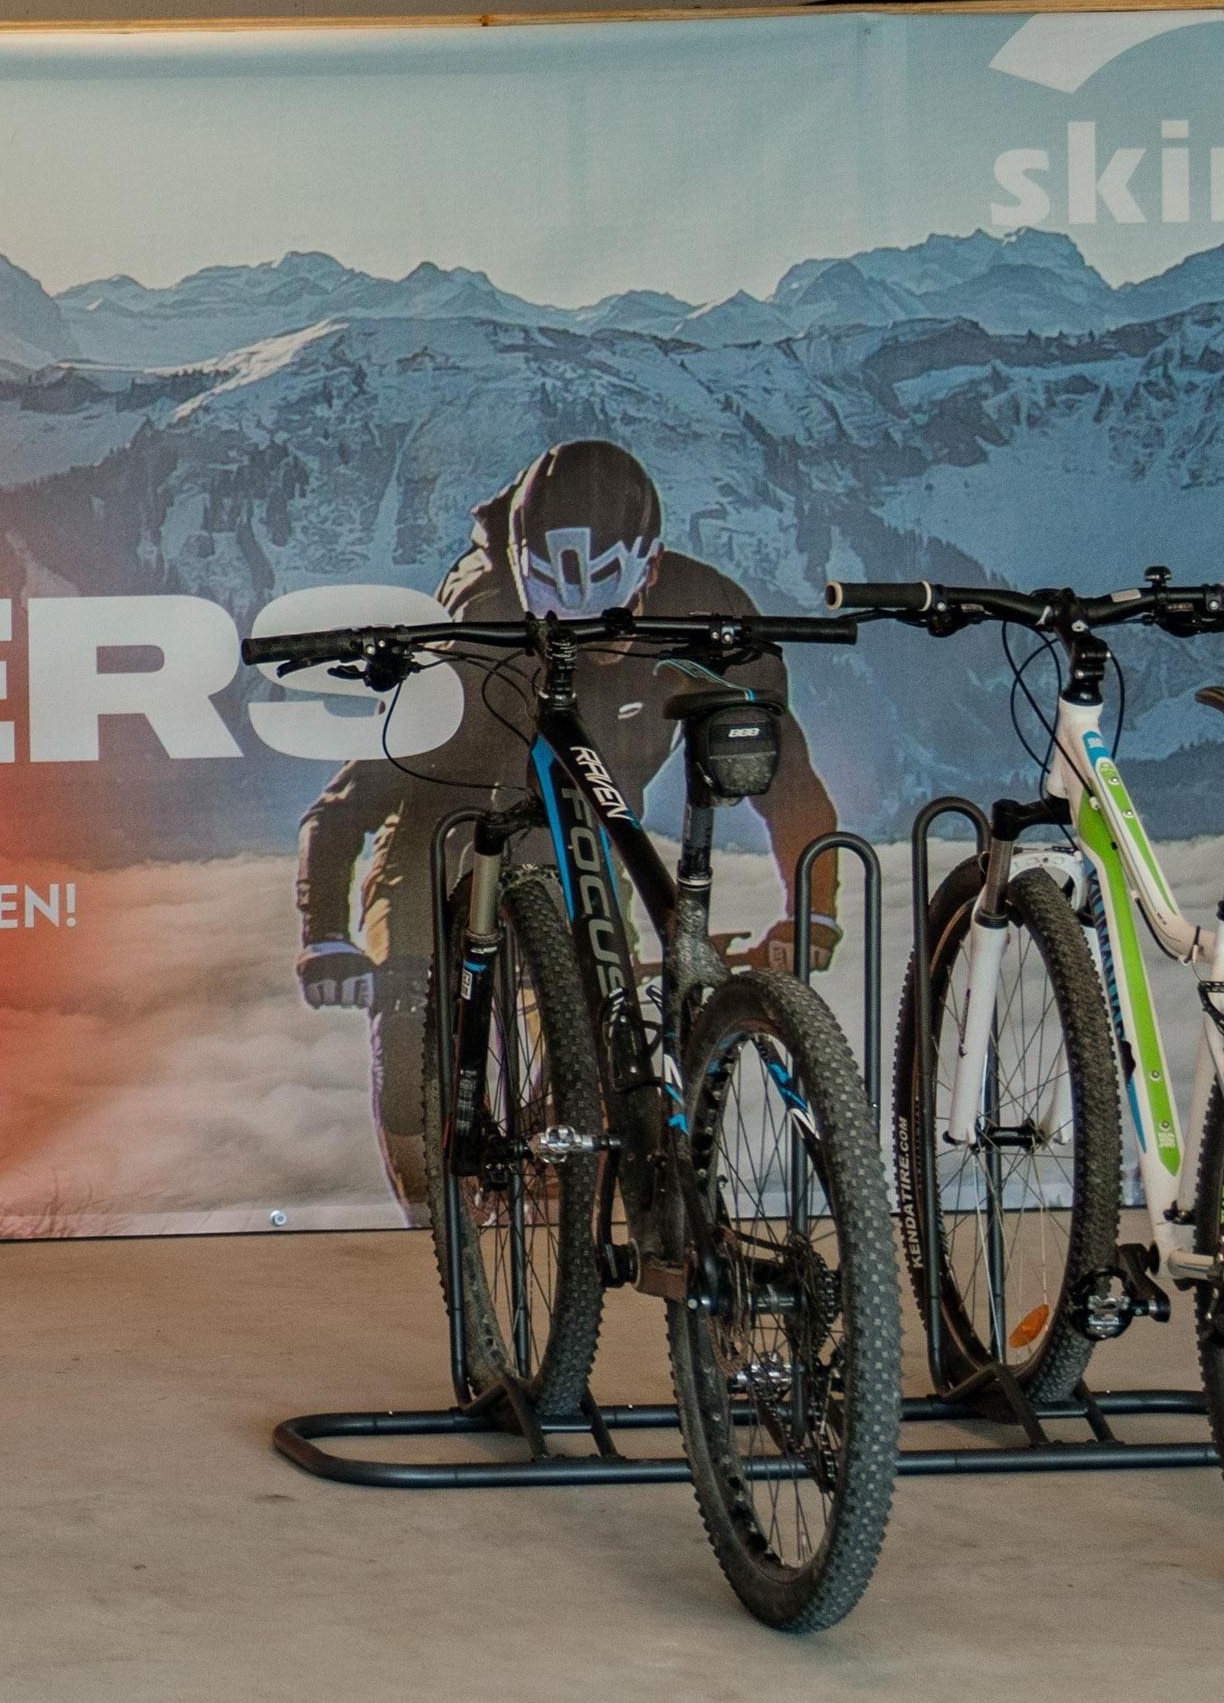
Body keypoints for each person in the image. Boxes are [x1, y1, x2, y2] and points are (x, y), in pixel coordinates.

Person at [287, 436, 843, 1200]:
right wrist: (325, 937)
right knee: (414, 1057)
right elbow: (347, 805)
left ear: (650, 570)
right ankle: (434, 1205)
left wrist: (814, 911)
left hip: (581, 838)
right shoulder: (473, 628)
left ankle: (574, 1197)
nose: (587, 646)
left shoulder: (705, 608)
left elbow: (787, 781)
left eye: (609, 623)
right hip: (433, 845)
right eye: (559, 626)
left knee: (606, 1050)